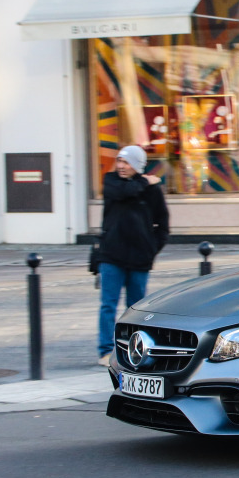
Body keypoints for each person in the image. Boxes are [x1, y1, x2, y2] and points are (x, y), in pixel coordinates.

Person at [97, 145, 169, 365]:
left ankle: (132, 350)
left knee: (136, 308)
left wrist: (150, 248)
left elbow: (163, 224)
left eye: (126, 162)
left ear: (137, 165)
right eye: (119, 161)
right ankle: (105, 350)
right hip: (111, 255)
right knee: (108, 304)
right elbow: (123, 192)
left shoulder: (152, 191)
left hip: (139, 258)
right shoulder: (111, 182)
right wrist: (146, 181)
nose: (120, 166)